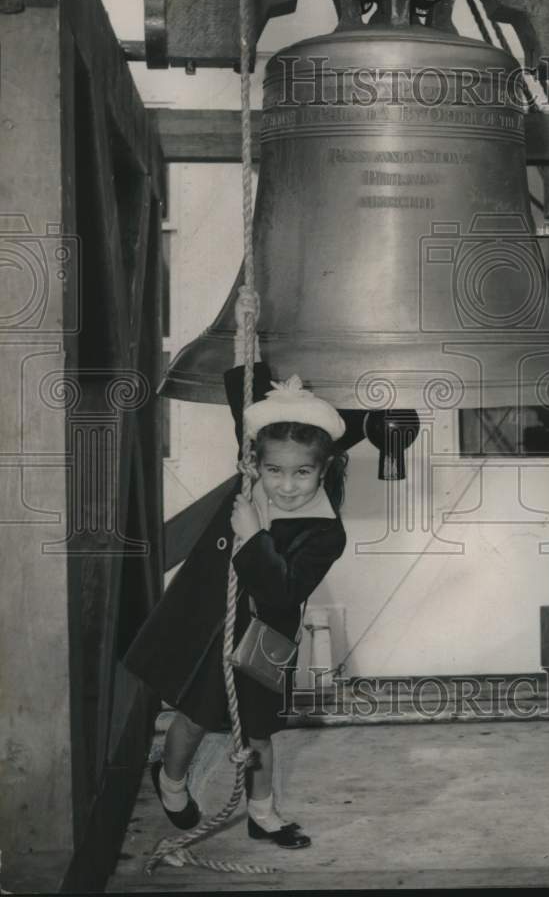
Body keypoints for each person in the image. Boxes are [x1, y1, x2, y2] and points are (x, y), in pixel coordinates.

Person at [124, 285, 356, 849]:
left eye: (302, 474)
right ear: (255, 462)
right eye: (275, 471)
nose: (286, 485)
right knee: (196, 717)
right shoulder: (251, 475)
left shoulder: (326, 532)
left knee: (260, 731)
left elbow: (282, 593)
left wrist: (253, 537)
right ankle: (171, 779)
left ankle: (263, 811)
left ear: (323, 472)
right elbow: (245, 398)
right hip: (209, 621)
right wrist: (244, 330)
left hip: (263, 640)